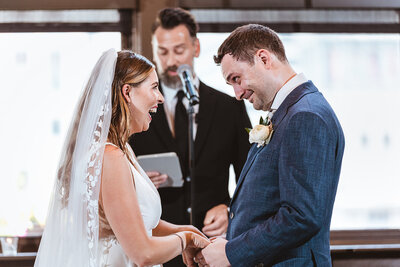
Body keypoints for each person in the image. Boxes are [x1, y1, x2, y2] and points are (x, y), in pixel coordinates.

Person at [34, 49, 210, 267]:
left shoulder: (121, 149)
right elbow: (142, 253)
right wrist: (185, 240)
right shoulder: (110, 157)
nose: (161, 98)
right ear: (127, 92)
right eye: (154, 88)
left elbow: (133, 223)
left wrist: (183, 229)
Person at [196, 24, 345, 267]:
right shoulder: (291, 111)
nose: (236, 93)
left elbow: (301, 216)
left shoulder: (304, 115)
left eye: (237, 79)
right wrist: (227, 240)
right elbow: (266, 205)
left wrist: (232, 252)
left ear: (264, 58)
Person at [130, 6, 251, 255]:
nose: (171, 60)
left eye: (179, 50)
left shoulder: (230, 108)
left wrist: (230, 209)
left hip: (213, 246)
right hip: (158, 247)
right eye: (162, 52)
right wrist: (137, 182)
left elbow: (250, 179)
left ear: (196, 47)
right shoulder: (135, 111)